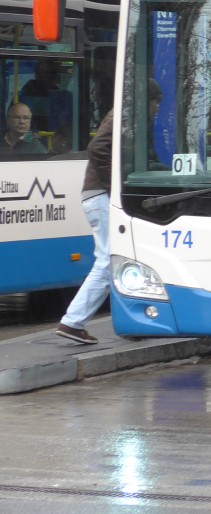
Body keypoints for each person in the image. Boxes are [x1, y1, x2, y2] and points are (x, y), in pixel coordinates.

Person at [56, 80, 162, 345]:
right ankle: (73, 322)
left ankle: (133, 322)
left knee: (126, 258)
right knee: (107, 260)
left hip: (100, 196)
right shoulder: (121, 116)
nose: (157, 109)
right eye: (155, 102)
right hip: (101, 197)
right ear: (144, 100)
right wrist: (115, 187)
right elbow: (97, 149)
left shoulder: (128, 118)